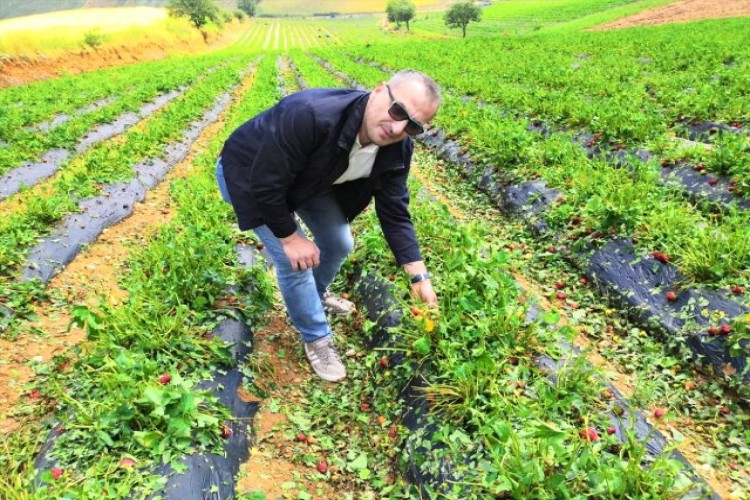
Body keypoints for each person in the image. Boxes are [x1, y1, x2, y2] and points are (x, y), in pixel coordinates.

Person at [215, 70, 440, 382]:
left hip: (310, 180)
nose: (398, 127)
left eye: (413, 125)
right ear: (377, 92)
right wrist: (290, 236)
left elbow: (395, 211)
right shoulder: (310, 114)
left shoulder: (397, 148)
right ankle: (316, 338)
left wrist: (418, 276)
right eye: (398, 110)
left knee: (338, 244)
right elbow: (265, 184)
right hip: (249, 177)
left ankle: (314, 297)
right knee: (296, 263)